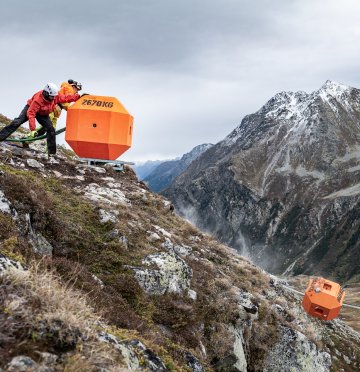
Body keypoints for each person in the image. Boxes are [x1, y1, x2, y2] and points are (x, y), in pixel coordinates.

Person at [0, 83, 80, 157]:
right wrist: (33, 129)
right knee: (17, 122)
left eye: (54, 97)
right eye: (51, 96)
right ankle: (1, 136)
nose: (53, 98)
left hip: (43, 113)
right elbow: (31, 114)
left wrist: (77, 97)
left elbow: (65, 98)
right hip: (30, 109)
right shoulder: (38, 99)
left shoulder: (54, 96)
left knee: (51, 129)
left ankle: (51, 153)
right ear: (46, 93)